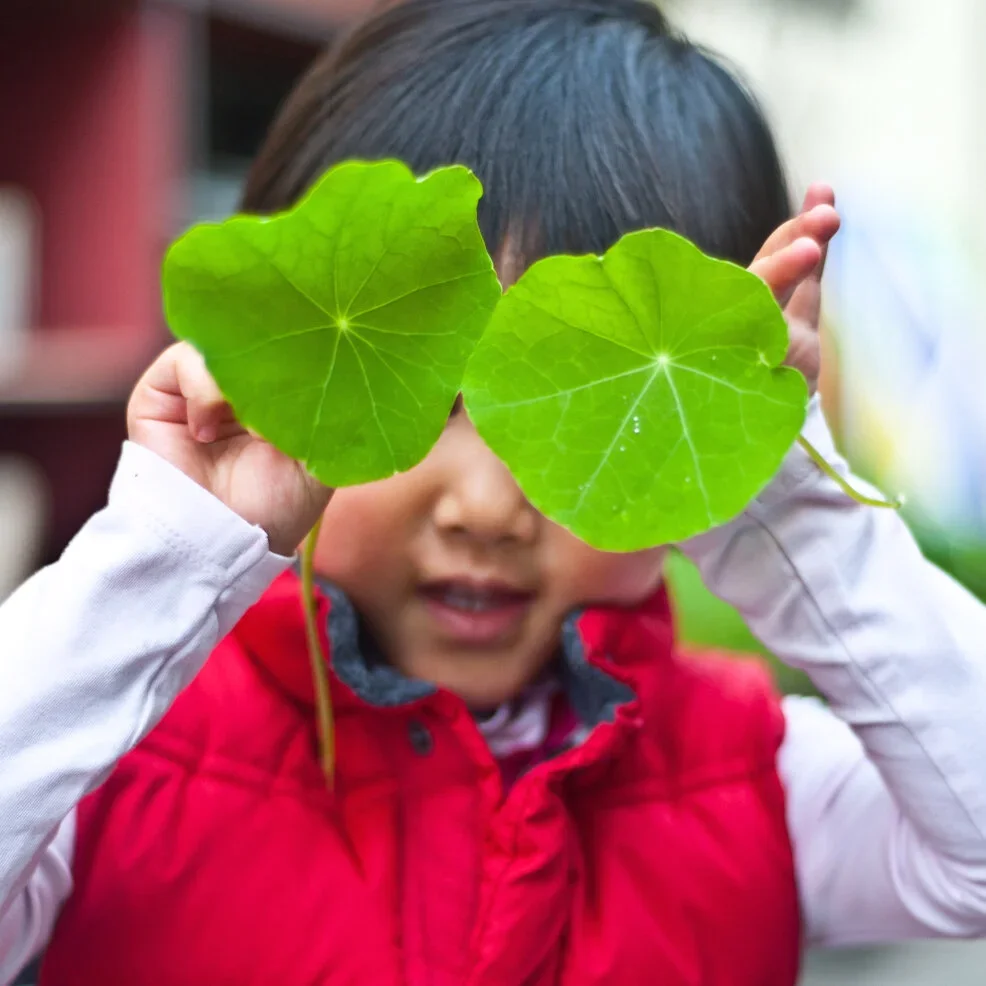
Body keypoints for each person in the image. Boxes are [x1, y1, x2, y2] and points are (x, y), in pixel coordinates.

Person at [3, 0, 986, 982]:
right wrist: (167, 552)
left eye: (586, 405)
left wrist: (771, 494)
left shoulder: (751, 769)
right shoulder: (115, 747)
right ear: (291, 353)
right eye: (423, 390)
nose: (485, 508)